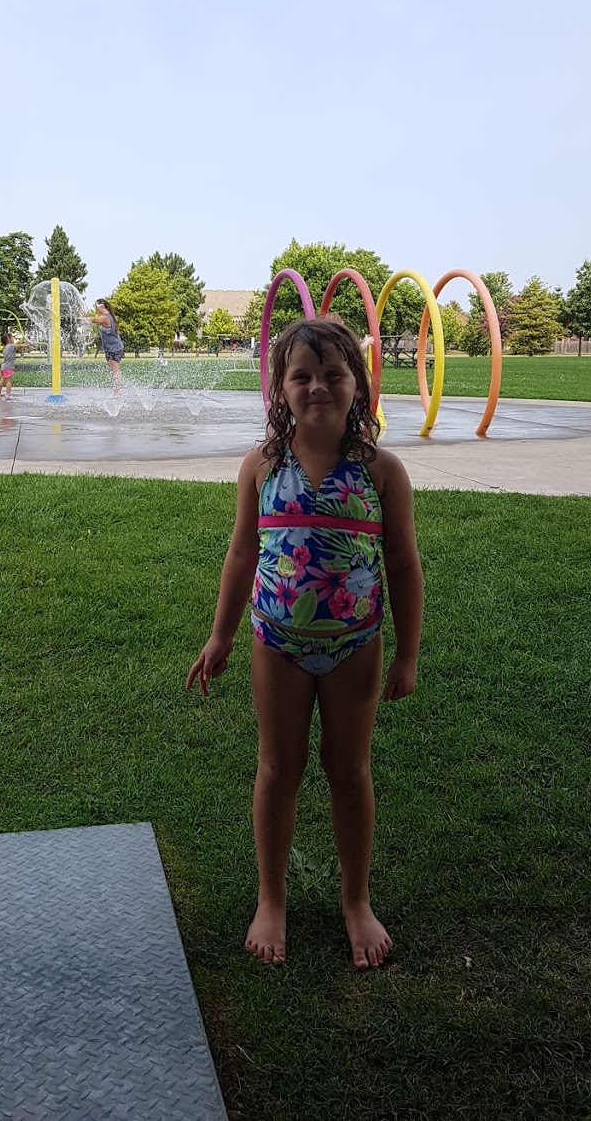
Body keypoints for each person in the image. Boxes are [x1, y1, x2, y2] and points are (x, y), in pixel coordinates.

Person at [186, 317, 423, 969]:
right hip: (276, 643)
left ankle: (356, 899)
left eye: (334, 374)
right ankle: (271, 897)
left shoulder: (382, 471)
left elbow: (403, 563)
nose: (318, 386)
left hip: (357, 646)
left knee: (349, 771)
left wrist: (407, 652)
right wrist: (221, 634)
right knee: (277, 769)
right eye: (302, 375)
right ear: (280, 388)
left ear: (359, 385)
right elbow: (241, 553)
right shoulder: (262, 465)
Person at [93, 299, 125, 392]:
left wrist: (76, 317)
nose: (95, 308)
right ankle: (116, 391)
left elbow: (93, 320)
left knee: (115, 370)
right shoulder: (109, 316)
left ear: (101, 306)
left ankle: (116, 393)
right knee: (115, 369)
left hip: (113, 348)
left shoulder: (106, 317)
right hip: (114, 347)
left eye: (96, 306)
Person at [0, 332, 17, 399]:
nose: (13, 339)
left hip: (3, 367)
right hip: (9, 367)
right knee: (9, 381)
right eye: (12, 337)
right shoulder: (11, 346)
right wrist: (28, 344)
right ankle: (8, 395)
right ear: (9, 339)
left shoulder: (5, 348)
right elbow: (20, 346)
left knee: (2, 380)